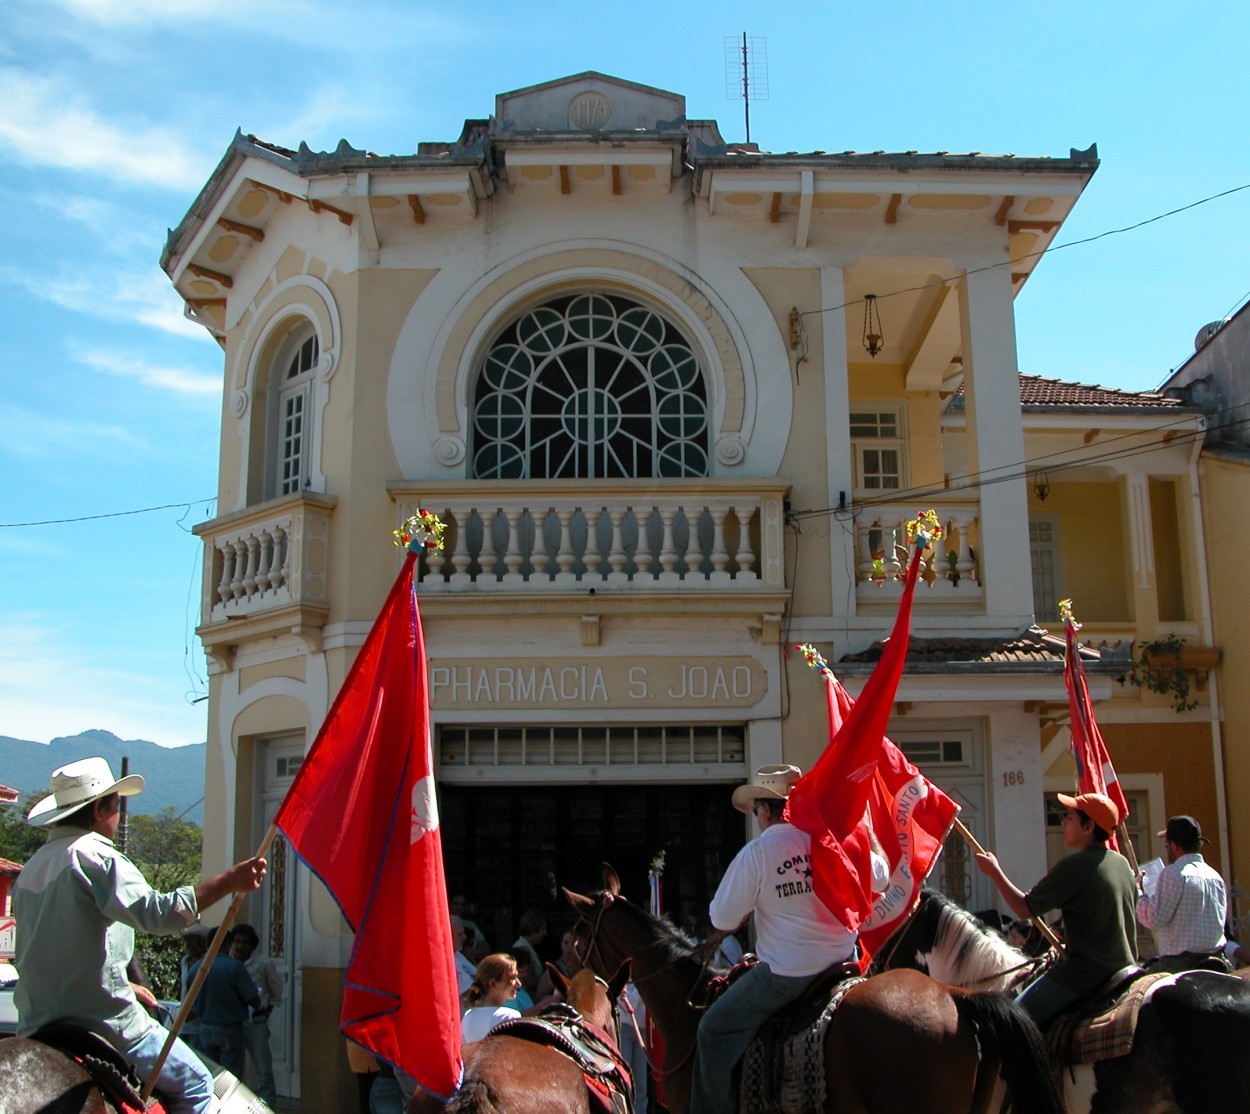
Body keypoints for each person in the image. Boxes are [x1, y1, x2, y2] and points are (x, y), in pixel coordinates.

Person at [12, 756, 266, 1114]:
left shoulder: (32, 868)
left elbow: (48, 951)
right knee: (197, 1082)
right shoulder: (96, 857)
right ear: (100, 808)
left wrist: (125, 983)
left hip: (38, 1023)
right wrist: (229, 881)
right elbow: (160, 914)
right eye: (116, 804)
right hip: (104, 1023)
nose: (119, 814)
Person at [690, 765, 858, 1114]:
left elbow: (721, 918)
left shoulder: (758, 852)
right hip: (844, 964)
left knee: (712, 1030)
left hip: (788, 972)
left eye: (756, 810)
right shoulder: (828, 840)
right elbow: (879, 873)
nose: (757, 817)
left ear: (765, 810)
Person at [976, 791, 1137, 1028]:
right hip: (1127, 968)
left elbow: (1025, 908)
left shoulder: (1076, 865)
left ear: (1088, 826)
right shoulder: (1121, 863)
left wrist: (995, 872)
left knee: (1011, 1023)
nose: (1062, 823)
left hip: (1085, 975)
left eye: (1069, 818)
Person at [1136, 814, 1229, 972]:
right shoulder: (1215, 876)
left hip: (1179, 964)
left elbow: (1153, 919)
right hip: (1217, 961)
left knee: (1135, 991)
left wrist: (1138, 891)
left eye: (1167, 845)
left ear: (1175, 845)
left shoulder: (1172, 874)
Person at [188, 929, 260, 1076]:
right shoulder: (234, 967)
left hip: (205, 1028)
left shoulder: (195, 968)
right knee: (230, 1076)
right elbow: (254, 1000)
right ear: (228, 944)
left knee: (209, 1075)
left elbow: (192, 1003)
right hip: (230, 1029)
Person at [229, 922, 284, 1104]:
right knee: (232, 1069)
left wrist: (267, 1010)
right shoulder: (228, 962)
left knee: (263, 1068)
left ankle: (268, 1104)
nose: (240, 946)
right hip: (233, 1023)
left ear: (251, 944)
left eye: (244, 942)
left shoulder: (263, 963)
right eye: (236, 942)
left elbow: (276, 988)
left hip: (256, 1023)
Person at [461, 953, 523, 1043]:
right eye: (512, 978)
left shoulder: (468, 1015)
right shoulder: (509, 1016)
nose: (519, 984)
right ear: (493, 984)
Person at [511, 909, 547, 998]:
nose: (545, 933)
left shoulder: (528, 947)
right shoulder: (523, 949)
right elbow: (528, 982)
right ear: (534, 929)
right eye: (542, 929)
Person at [450, 915, 478, 1000]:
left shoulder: (456, 954)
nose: (465, 937)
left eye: (463, 933)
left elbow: (478, 975)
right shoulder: (448, 960)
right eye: (460, 934)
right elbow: (471, 991)